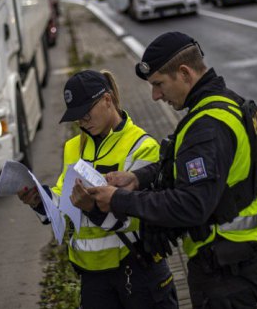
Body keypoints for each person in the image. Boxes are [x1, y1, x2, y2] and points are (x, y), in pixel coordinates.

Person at [87, 33, 257, 309]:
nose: (155, 96)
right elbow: (190, 166)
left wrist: (118, 199)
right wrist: (139, 178)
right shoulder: (224, 102)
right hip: (242, 254)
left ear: (184, 73)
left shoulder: (207, 128)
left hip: (226, 267)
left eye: (159, 84)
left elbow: (190, 204)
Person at [18, 69, 178, 309]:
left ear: (106, 100)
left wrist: (92, 208)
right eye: (77, 117)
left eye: (86, 113)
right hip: (92, 279)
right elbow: (63, 202)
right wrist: (38, 199)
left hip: (136, 272)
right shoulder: (73, 148)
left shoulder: (141, 146)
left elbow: (135, 216)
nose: (82, 121)